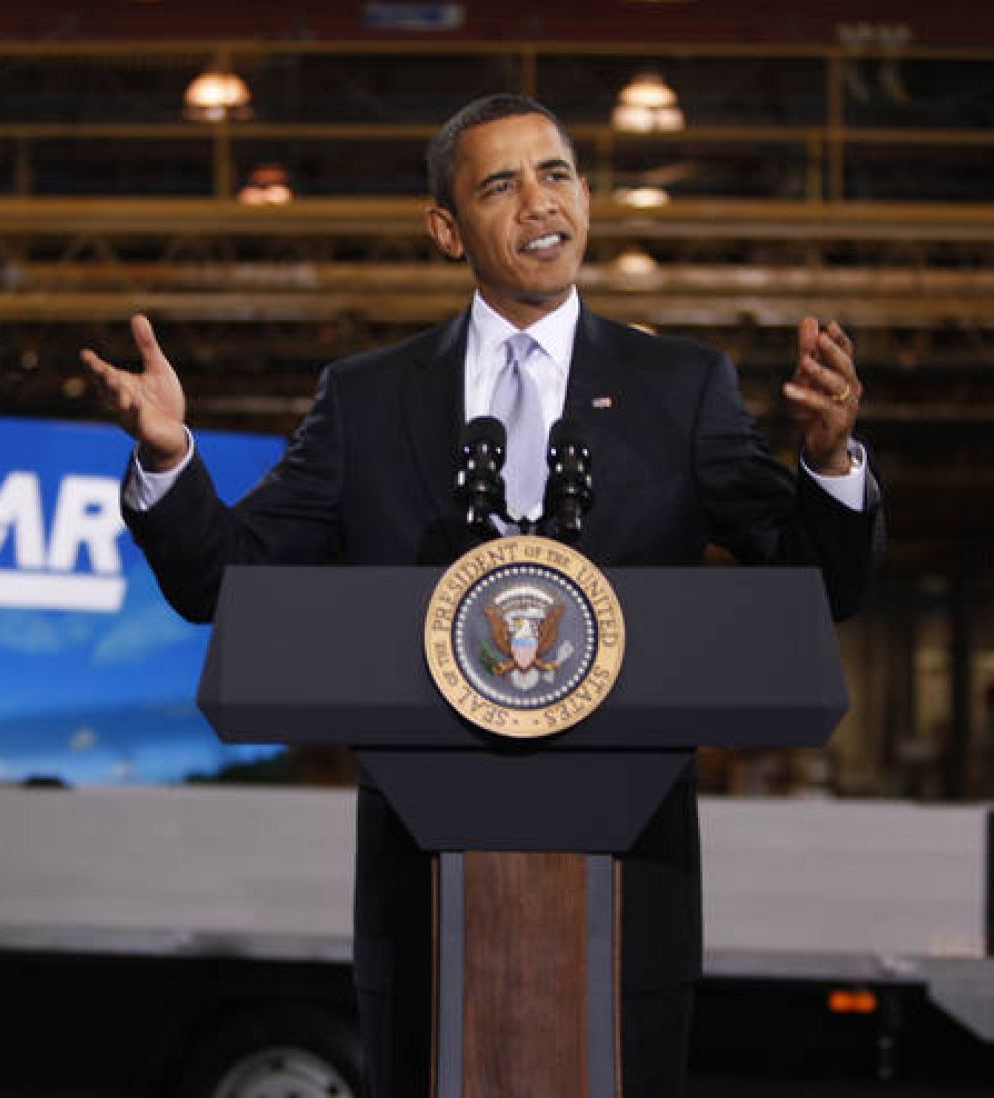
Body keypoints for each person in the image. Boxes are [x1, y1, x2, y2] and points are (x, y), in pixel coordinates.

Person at [81, 93, 882, 1098]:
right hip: (423, 882)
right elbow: (222, 577)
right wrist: (168, 459)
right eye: (500, 184)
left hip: (631, 876)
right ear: (445, 228)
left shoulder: (680, 386)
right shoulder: (368, 398)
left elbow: (821, 579)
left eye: (555, 173)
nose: (538, 201)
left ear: (586, 196)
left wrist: (828, 458)